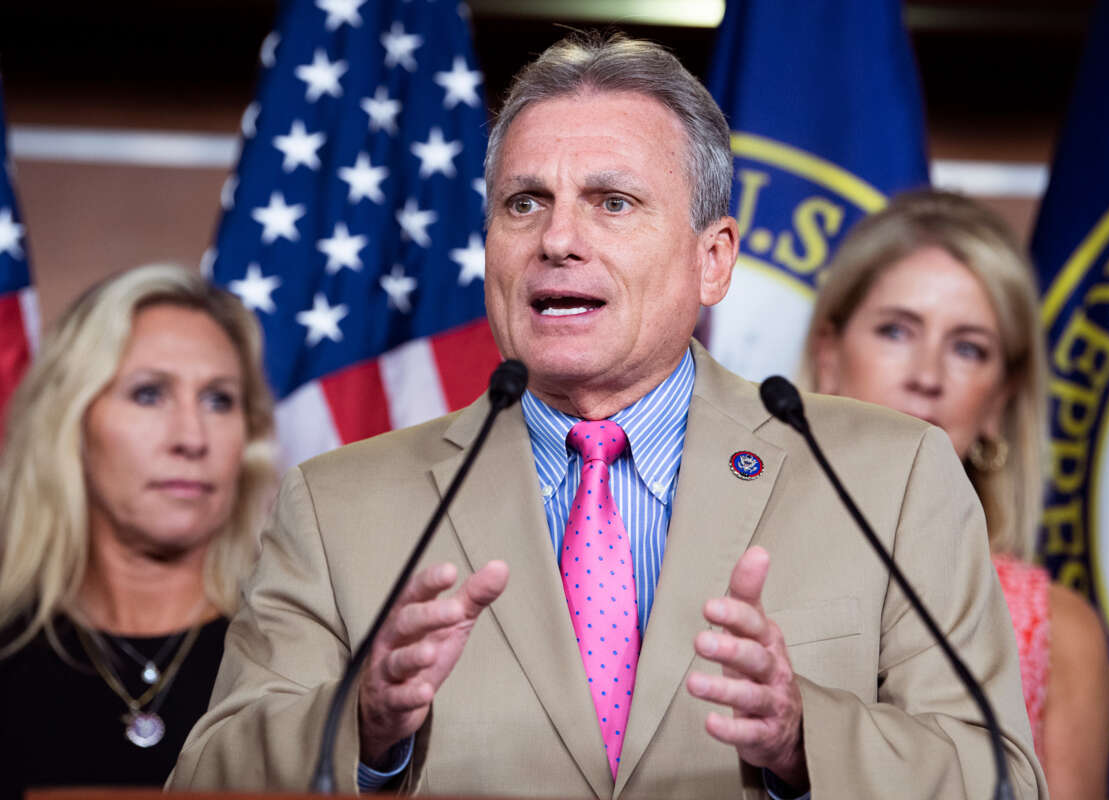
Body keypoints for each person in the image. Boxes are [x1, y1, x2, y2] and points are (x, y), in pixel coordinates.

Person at [171, 34, 1046, 798]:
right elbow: (202, 782)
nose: (557, 239)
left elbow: (997, 776)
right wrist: (357, 728)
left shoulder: (889, 479)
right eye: (524, 203)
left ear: (713, 261)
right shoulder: (336, 506)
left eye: (612, 202)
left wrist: (802, 737)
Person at [802, 189, 1109, 799]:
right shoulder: (723, 568)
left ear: (998, 400)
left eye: (968, 348)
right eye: (896, 330)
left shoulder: (1060, 630)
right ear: (829, 355)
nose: (928, 376)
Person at [0, 264, 276, 799]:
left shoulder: (298, 660)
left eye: (219, 399)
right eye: (149, 393)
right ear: (71, 423)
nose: (192, 437)